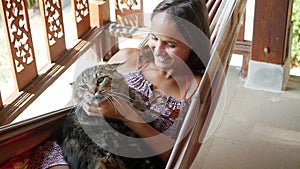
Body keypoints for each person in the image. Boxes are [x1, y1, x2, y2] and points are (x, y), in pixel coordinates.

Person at [27, 0, 211, 168]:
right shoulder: (127, 58)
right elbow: (77, 113)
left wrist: (126, 115)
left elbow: (178, 158)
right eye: (154, 38)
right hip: (76, 149)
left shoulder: (196, 89)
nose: (158, 50)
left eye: (170, 44)